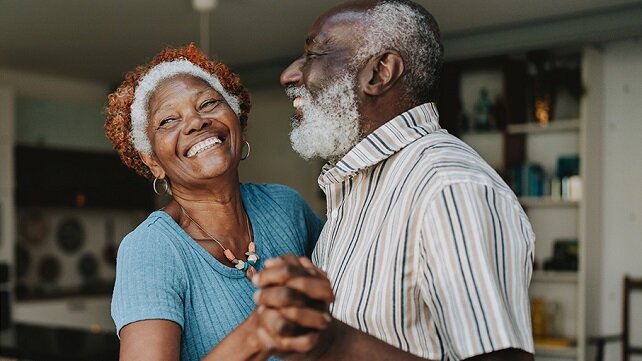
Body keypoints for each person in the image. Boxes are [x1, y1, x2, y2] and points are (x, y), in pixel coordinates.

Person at [252, 1, 536, 360]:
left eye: (314, 54)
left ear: (379, 72)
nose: (289, 74)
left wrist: (332, 343)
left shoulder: (448, 188)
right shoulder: (356, 190)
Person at [104, 43, 328, 361]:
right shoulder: (151, 249)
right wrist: (258, 332)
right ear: (152, 161)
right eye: (168, 121)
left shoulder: (286, 207)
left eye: (208, 103)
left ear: (236, 117)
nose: (195, 122)